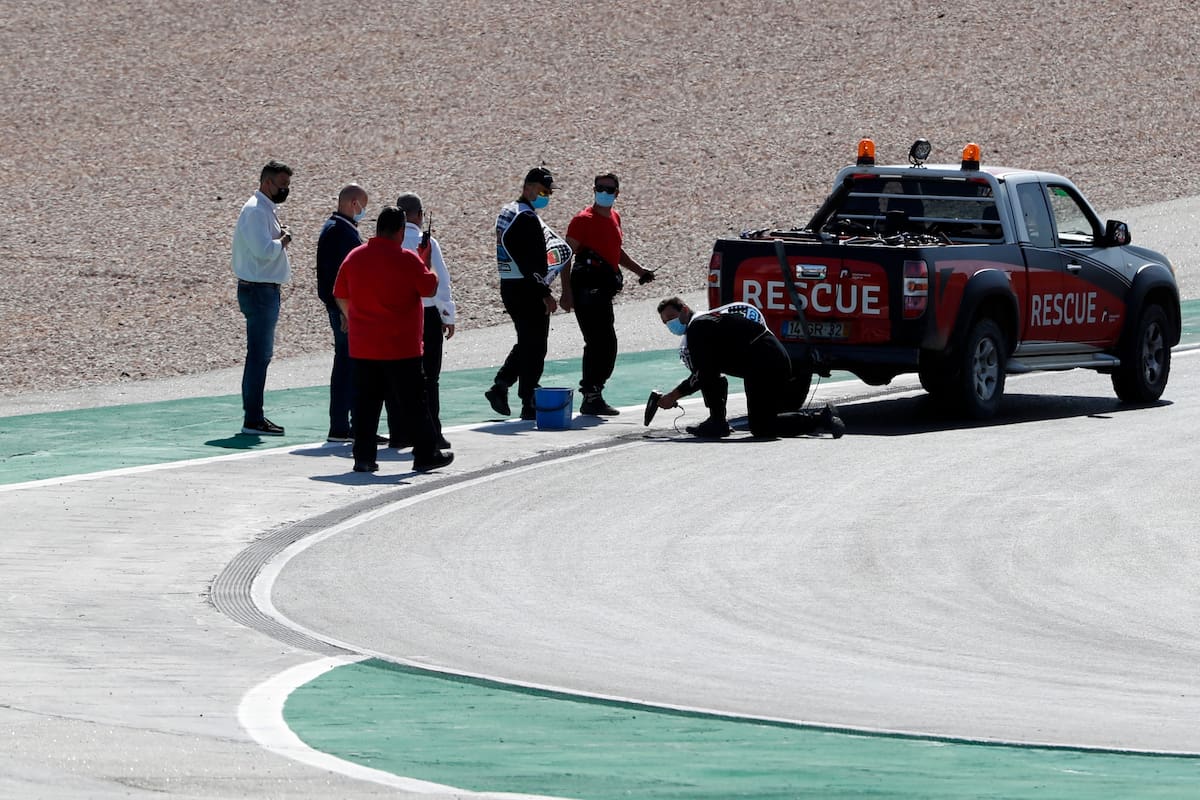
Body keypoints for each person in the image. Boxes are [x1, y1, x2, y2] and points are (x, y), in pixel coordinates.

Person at [332, 206, 454, 473]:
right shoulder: (408, 259)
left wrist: (352, 316)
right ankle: (425, 454)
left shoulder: (355, 257)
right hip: (401, 346)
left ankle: (363, 458)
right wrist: (425, 261)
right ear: (400, 231)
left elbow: (339, 292)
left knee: (365, 404)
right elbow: (429, 287)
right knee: (414, 403)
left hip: (365, 345)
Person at [654, 297, 845, 439]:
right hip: (763, 363)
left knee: (762, 427)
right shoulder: (704, 323)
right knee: (711, 377)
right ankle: (717, 422)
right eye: (665, 322)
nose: (670, 324)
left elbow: (703, 373)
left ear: (685, 309)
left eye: (671, 317)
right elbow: (710, 374)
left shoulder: (698, 327)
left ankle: (821, 418)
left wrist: (673, 396)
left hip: (765, 364)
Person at [564, 172, 655, 416]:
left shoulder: (614, 217)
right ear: (593, 189)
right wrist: (566, 292)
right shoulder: (582, 220)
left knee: (606, 343)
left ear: (617, 193)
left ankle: (594, 392)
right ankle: (591, 395)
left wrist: (639, 270)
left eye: (609, 189)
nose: (604, 192)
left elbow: (616, 251)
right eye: (600, 188)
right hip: (585, 291)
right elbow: (565, 257)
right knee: (598, 342)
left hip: (603, 292)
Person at [485, 167, 571, 421]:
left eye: (549, 192)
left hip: (510, 285)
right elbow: (530, 261)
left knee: (528, 340)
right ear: (528, 188)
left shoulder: (509, 210)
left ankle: (502, 385)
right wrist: (544, 292)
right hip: (525, 287)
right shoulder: (526, 218)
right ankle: (528, 398)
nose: (546, 196)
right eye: (543, 191)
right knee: (536, 345)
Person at [231, 160, 293, 436]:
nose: (285, 190)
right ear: (267, 182)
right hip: (259, 290)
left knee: (260, 355)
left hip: (262, 289)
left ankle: (254, 416)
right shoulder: (256, 211)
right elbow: (263, 250)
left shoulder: (264, 209)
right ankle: (253, 418)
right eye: (282, 185)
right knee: (259, 356)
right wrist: (284, 240)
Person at [396, 192, 455, 449]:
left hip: (398, 313)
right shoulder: (426, 241)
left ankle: (400, 432)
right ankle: (432, 432)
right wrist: (447, 315)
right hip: (426, 313)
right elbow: (439, 281)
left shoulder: (392, 241)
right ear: (419, 215)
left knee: (400, 376)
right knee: (430, 377)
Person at [316, 183, 369, 443]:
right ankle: (340, 426)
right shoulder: (339, 232)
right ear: (353, 203)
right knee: (347, 366)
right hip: (344, 311)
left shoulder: (339, 229)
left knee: (348, 365)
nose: (364, 212)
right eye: (363, 206)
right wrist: (344, 312)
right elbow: (336, 282)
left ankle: (349, 424)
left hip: (344, 309)